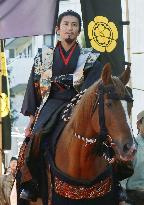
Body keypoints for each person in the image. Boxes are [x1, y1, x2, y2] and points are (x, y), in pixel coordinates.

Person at [17, 10, 131, 205]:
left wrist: (70, 81)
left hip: (80, 103)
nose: (70, 28)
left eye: (74, 25)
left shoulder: (90, 57)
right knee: (35, 136)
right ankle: (31, 184)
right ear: (58, 29)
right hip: (51, 103)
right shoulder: (44, 56)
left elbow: (95, 85)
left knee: (105, 137)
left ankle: (116, 184)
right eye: (66, 24)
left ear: (79, 31)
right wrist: (30, 118)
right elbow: (34, 85)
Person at [125, 110, 144, 205]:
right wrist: (122, 199)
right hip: (134, 196)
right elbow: (121, 178)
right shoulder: (131, 147)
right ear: (139, 124)